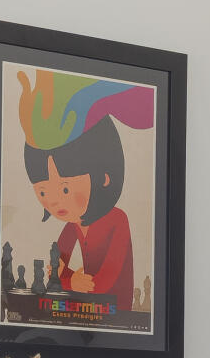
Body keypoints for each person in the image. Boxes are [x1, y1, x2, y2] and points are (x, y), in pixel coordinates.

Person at [15, 70, 152, 311]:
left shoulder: (118, 220)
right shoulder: (72, 226)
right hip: (87, 307)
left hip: (114, 311)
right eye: (44, 192)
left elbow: (102, 282)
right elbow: (54, 270)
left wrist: (69, 280)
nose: (55, 201)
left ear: (105, 178)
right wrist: (68, 279)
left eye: (65, 189)